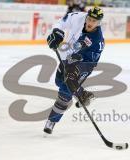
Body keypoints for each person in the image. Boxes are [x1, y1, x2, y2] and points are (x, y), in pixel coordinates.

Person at [44, 6, 105, 134]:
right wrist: (57, 32)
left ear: (99, 23)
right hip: (68, 57)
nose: (90, 22)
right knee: (59, 81)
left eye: (94, 21)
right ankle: (82, 94)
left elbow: (91, 62)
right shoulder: (77, 16)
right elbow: (61, 22)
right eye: (89, 19)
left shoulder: (97, 39)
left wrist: (77, 70)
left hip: (85, 63)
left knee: (66, 89)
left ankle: (52, 121)